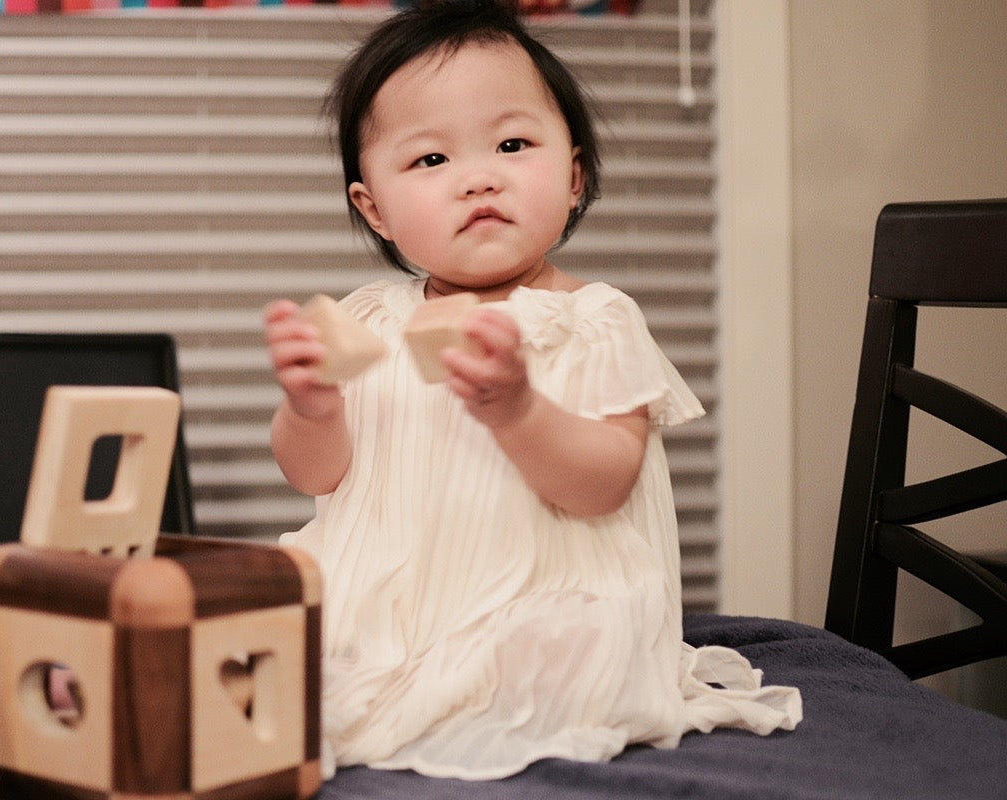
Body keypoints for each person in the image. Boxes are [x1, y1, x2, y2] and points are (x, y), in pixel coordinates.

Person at [263, 0, 801, 781]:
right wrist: (310, 406)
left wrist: (518, 411)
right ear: (374, 210)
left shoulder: (593, 321)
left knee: (563, 649)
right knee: (274, 631)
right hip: (385, 609)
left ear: (574, 176)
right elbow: (315, 474)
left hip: (543, 598)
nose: (479, 176)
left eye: (513, 144)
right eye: (430, 161)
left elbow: (604, 484)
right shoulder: (365, 322)